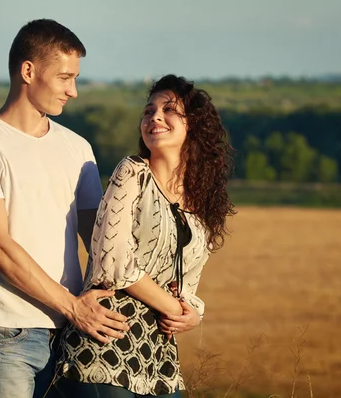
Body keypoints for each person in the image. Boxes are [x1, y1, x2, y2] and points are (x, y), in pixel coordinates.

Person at [0, 19, 129, 398]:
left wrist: (169, 288)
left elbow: (104, 239)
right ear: (28, 71)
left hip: (75, 338)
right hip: (6, 332)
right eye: (65, 77)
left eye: (75, 79)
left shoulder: (78, 148)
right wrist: (74, 307)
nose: (73, 91)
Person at [55, 74, 235, 397]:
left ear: (193, 125)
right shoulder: (131, 174)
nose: (155, 117)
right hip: (106, 346)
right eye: (149, 111)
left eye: (168, 110)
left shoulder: (202, 203)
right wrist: (173, 305)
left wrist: (194, 313)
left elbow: (188, 286)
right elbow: (114, 265)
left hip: (161, 361)